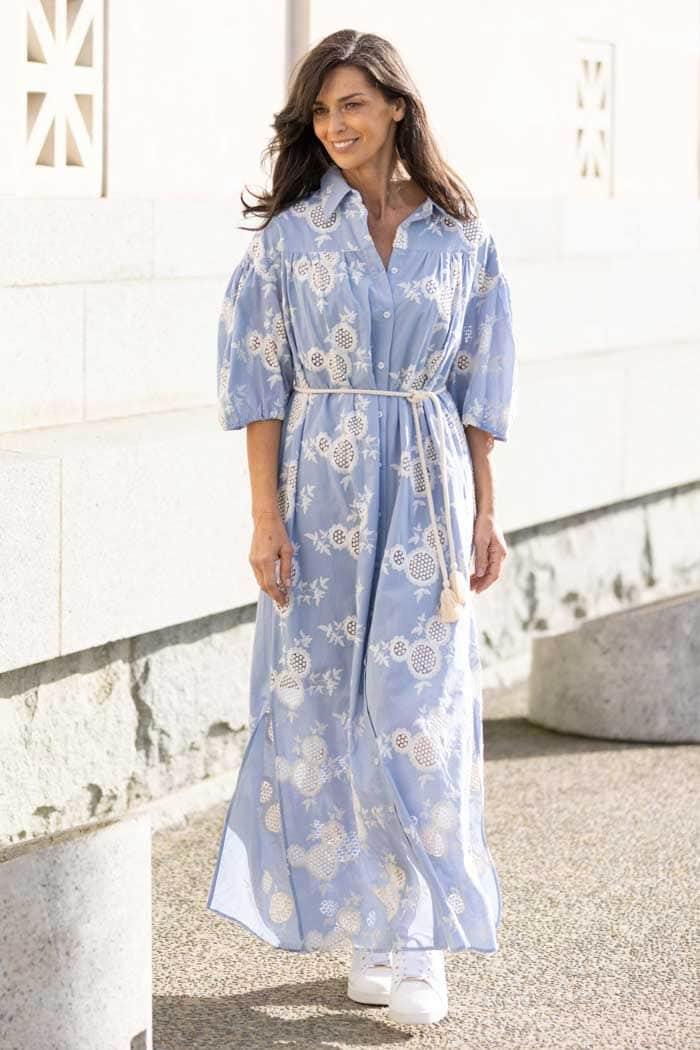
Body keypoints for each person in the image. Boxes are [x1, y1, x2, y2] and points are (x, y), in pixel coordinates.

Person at [207, 28, 517, 1026]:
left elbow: (478, 380)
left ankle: (425, 929)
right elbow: (257, 385)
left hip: (429, 486)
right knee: (332, 715)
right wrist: (264, 522)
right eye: (319, 112)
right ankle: (373, 922)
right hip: (320, 495)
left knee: (418, 712)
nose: (334, 127)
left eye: (351, 105)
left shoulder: (460, 234)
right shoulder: (291, 238)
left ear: (394, 107)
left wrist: (487, 507)